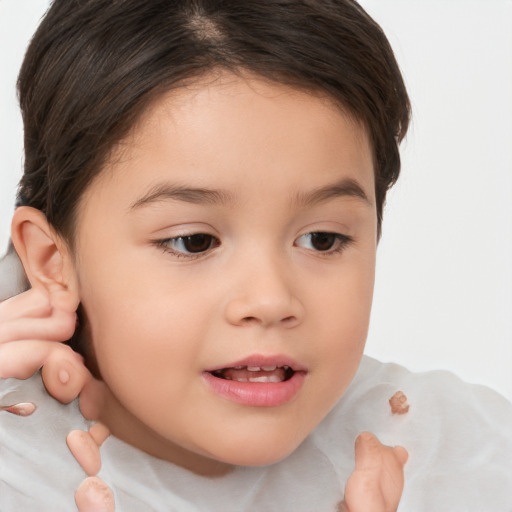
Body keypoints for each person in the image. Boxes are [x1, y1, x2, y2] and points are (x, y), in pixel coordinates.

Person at [0, 1, 511, 511]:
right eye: (194, 241)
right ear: (50, 261)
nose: (269, 300)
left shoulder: (468, 462)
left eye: (322, 239)